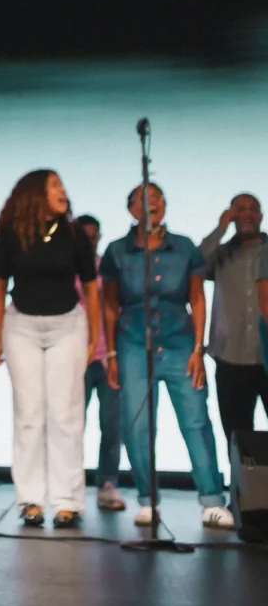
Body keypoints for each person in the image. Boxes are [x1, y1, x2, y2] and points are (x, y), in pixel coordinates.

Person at [100, 183, 234, 529]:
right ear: (131, 209)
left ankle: (211, 500)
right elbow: (110, 306)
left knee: (195, 421)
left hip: (179, 343)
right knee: (138, 424)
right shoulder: (117, 251)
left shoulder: (184, 247)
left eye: (158, 197)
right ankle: (147, 499)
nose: (153, 202)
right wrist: (112, 353)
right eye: (144, 199)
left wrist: (198, 350)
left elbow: (197, 299)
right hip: (132, 343)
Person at [0, 170, 99, 529]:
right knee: (29, 414)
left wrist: (94, 337)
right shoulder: (12, 234)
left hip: (67, 326)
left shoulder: (74, 235)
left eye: (62, 185)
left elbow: (91, 287)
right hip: (21, 326)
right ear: (36, 193)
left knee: (65, 414)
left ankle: (67, 500)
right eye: (54, 186)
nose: (62, 191)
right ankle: (31, 499)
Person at [199, 194, 268, 456]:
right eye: (240, 209)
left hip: (266, 356)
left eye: (253, 209)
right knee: (237, 436)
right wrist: (221, 227)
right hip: (231, 359)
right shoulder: (221, 254)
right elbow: (194, 267)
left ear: (261, 216)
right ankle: (242, 495)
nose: (247, 214)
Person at [74, 215, 125, 511]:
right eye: (85, 235)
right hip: (75, 358)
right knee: (71, 424)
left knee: (111, 424)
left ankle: (107, 482)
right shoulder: (64, 268)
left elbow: (117, 307)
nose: (90, 240)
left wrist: (114, 353)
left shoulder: (107, 267)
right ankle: (70, 483)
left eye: (95, 235)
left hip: (106, 357)